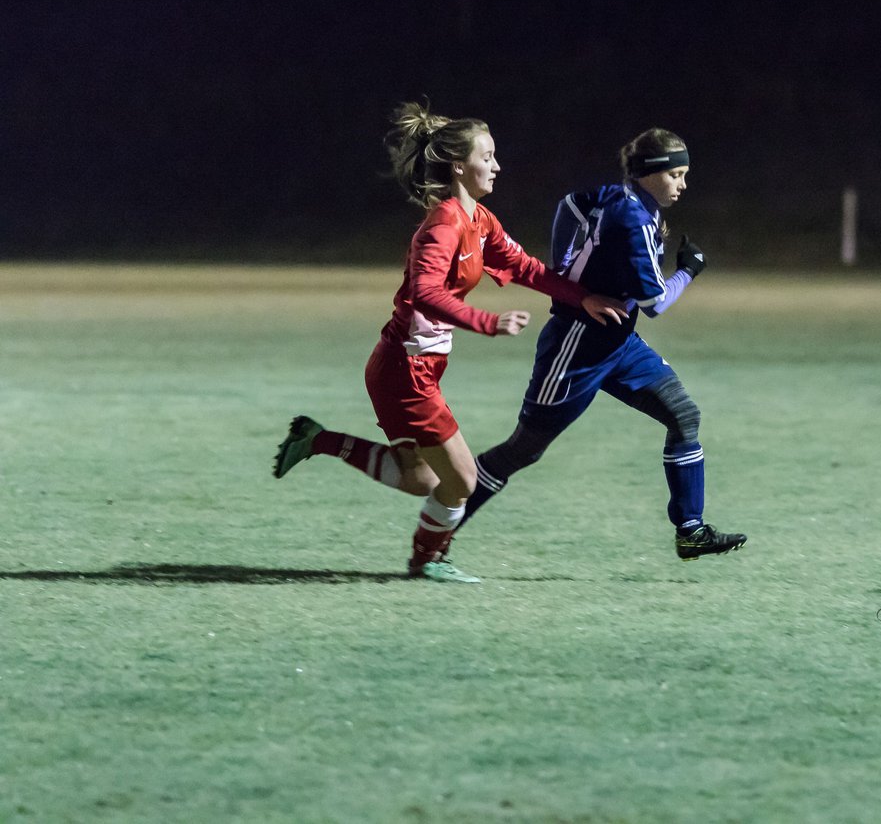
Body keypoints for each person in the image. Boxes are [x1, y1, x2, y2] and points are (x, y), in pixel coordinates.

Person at [272, 99, 627, 583]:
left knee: (421, 479)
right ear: (459, 165)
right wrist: (486, 321)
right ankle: (427, 563)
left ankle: (318, 439)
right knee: (461, 481)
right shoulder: (443, 224)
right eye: (488, 157)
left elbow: (524, 266)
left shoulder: (479, 220)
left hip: (418, 367)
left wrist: (582, 297)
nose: (497, 166)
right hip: (405, 371)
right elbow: (424, 292)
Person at [458, 128, 747, 560]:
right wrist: (689, 269)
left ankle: (691, 531)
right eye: (677, 175)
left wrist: (565, 266)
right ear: (651, 173)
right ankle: (440, 525)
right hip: (577, 346)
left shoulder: (617, 197)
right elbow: (655, 303)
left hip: (619, 343)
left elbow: (569, 205)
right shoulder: (633, 219)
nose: (683, 185)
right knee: (524, 448)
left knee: (683, 416)